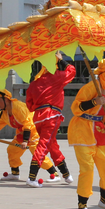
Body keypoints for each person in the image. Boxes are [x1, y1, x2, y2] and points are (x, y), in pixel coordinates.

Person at [0, 88, 60, 187]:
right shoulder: (4, 113)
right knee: (12, 150)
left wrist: (25, 141)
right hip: (21, 133)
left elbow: (28, 123)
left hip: (32, 131)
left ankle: (54, 174)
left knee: (37, 154)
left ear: (6, 100)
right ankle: (15, 173)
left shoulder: (19, 108)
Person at [67, 58, 105, 209]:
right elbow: (75, 108)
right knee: (87, 169)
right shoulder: (92, 87)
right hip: (83, 131)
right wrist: (93, 102)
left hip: (100, 134)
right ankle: (82, 205)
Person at [25, 51, 76, 184]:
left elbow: (29, 105)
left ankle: (66, 174)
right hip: (51, 116)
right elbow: (72, 71)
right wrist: (61, 61)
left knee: (52, 145)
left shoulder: (35, 82)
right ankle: (32, 177)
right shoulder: (56, 76)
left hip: (38, 117)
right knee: (44, 144)